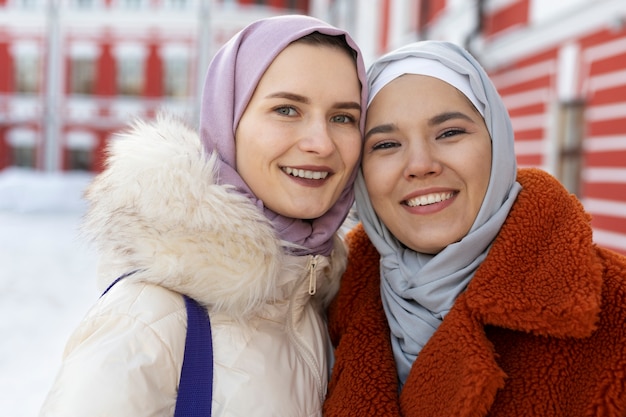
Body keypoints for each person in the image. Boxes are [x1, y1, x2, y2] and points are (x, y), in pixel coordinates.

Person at [40, 14, 367, 416]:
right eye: (286, 110)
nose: (321, 142)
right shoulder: (151, 320)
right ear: (227, 121)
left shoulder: (323, 302)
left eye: (343, 118)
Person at [323, 40, 626, 417]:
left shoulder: (617, 310)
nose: (420, 164)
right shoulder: (326, 303)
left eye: (449, 133)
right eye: (386, 143)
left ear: (497, 143)